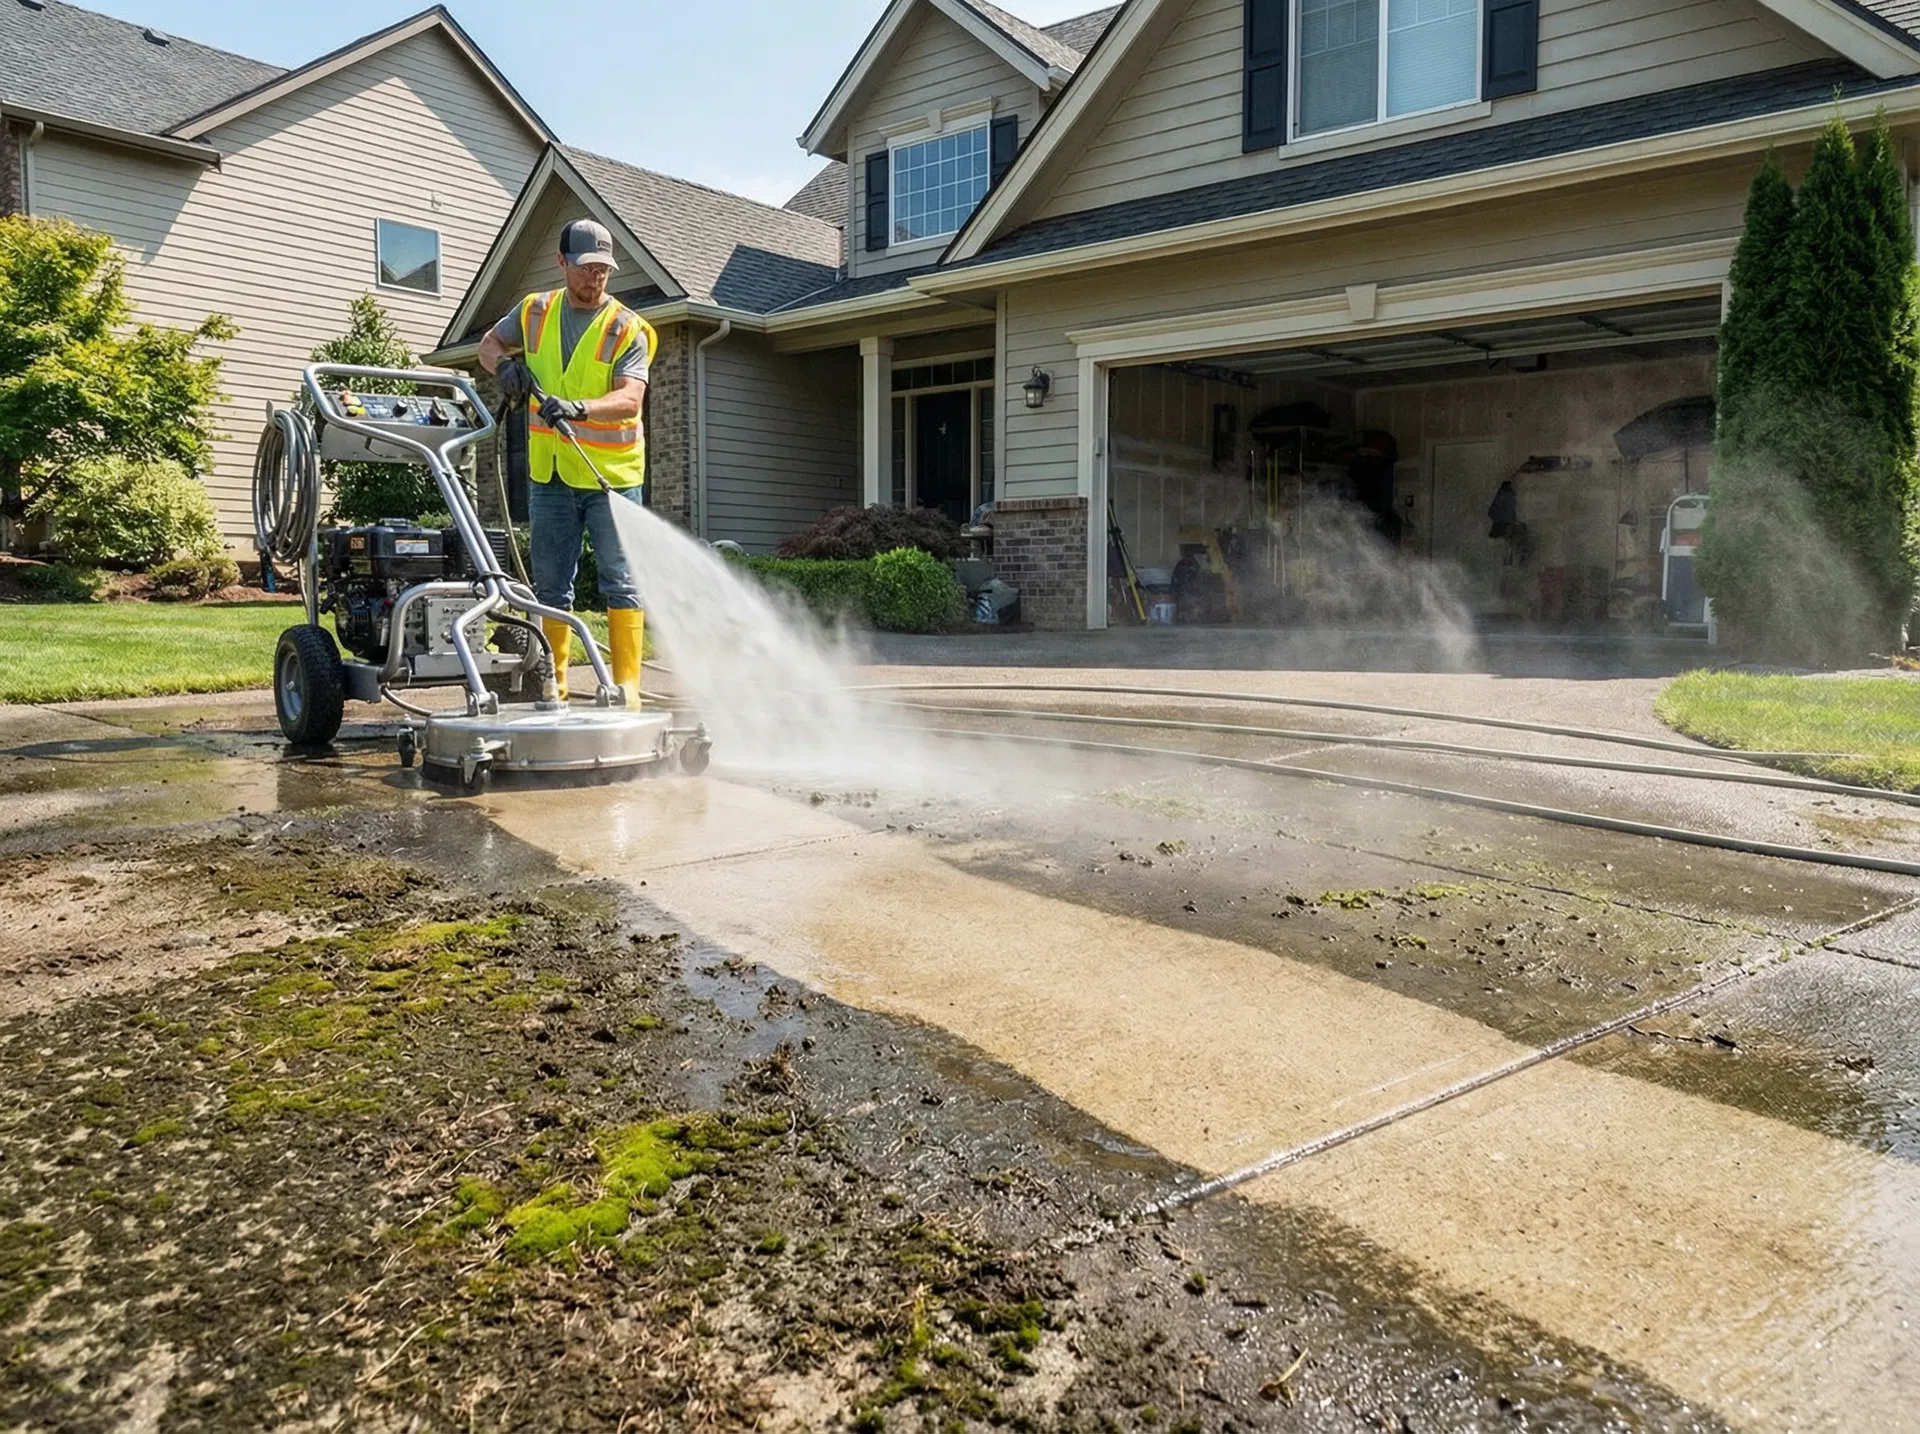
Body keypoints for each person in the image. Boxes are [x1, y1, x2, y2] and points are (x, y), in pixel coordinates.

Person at [477, 218, 656, 706]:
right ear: (561, 263)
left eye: (602, 268)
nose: (594, 277)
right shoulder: (534, 312)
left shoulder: (627, 328)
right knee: (552, 587)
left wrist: (579, 408)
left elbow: (630, 400)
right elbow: (487, 345)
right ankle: (551, 686)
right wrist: (505, 366)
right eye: (584, 267)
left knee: (619, 581)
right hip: (550, 476)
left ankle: (627, 689)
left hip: (610, 480)